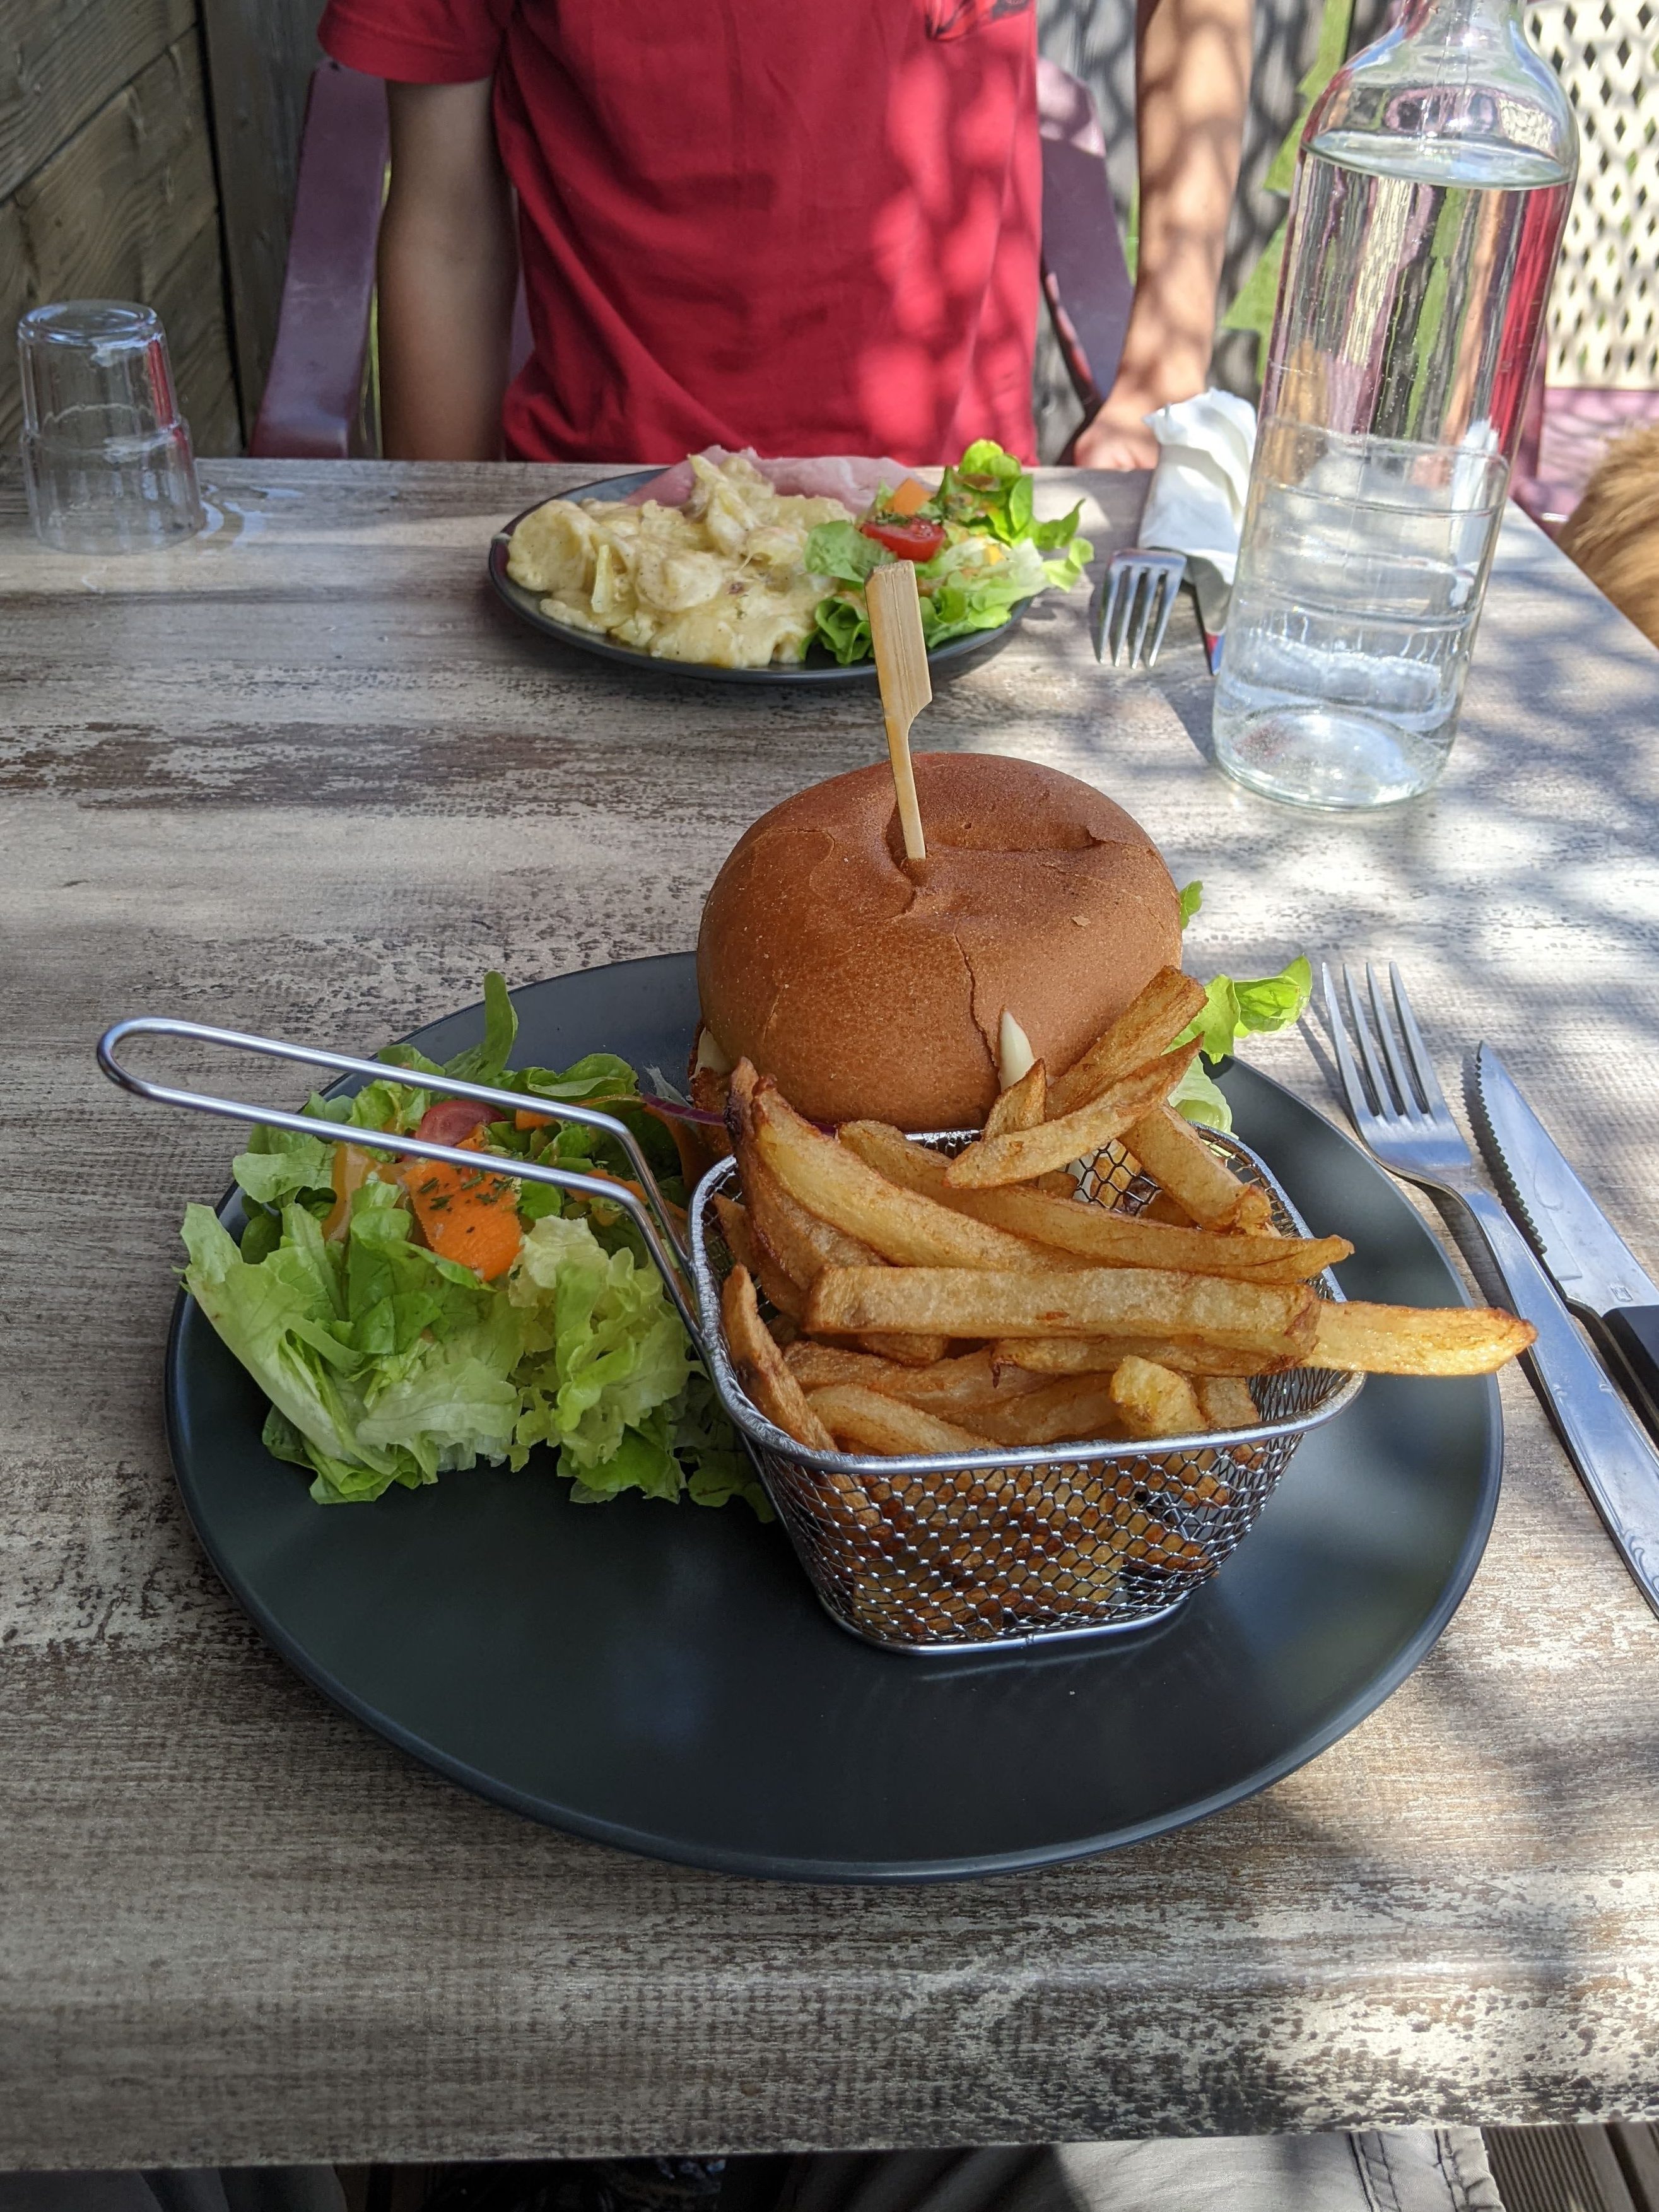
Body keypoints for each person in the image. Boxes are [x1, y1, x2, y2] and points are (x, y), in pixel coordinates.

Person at [314, 0, 1253, 469]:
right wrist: (439, 547)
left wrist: (1163, 380)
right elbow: (445, 224)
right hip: (603, 525)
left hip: (947, 532)